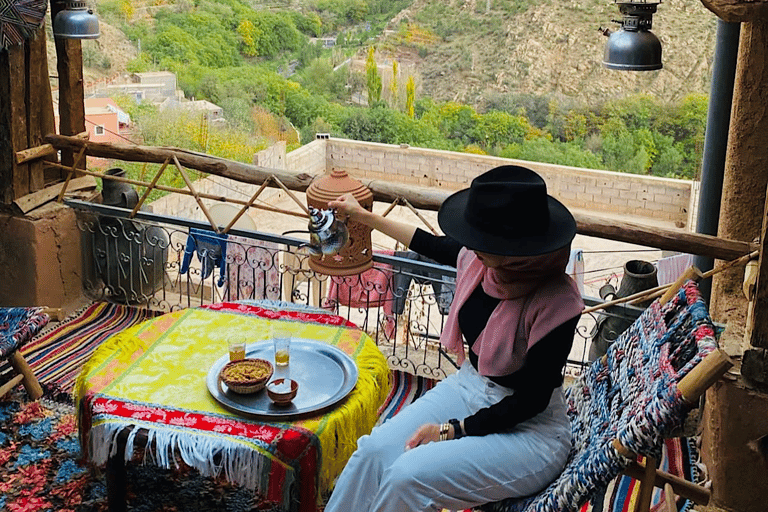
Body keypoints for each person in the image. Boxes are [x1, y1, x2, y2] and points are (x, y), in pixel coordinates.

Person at [323, 165, 585, 512]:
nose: (472, 246)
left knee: (406, 477)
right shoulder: (482, 263)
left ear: (516, 250)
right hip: (470, 387)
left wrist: (451, 431)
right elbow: (426, 242)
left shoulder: (557, 301)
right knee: (372, 453)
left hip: (532, 432)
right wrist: (362, 216)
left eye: (483, 242)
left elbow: (531, 401)